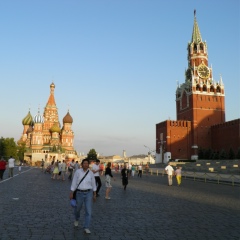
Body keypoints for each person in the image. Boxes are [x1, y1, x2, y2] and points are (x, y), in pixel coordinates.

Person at [69, 159, 96, 234]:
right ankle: (77, 219)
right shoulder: (78, 172)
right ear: (82, 164)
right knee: (78, 209)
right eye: (84, 163)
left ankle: (86, 227)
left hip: (88, 193)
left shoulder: (91, 173)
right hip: (79, 193)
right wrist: (71, 192)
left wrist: (94, 194)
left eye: (87, 163)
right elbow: (74, 182)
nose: (86, 165)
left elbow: (93, 184)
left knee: (88, 211)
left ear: (88, 165)